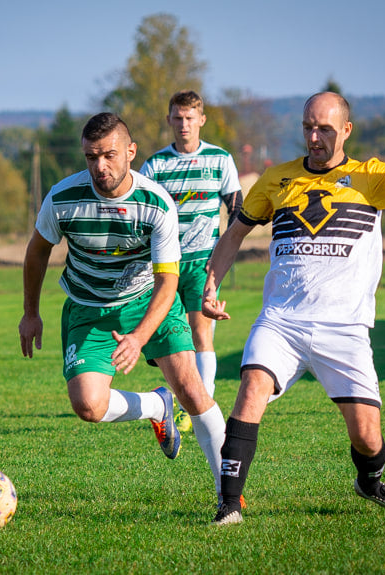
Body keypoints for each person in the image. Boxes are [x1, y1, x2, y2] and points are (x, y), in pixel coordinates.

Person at [203, 92, 385, 525]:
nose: (314, 138)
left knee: (369, 439)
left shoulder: (370, 176)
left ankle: (370, 483)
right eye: (307, 128)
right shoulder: (275, 179)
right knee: (250, 393)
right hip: (281, 321)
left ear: (347, 131)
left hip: (345, 328)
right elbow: (235, 234)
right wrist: (211, 283)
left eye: (325, 130)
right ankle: (228, 506)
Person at [19, 112, 228, 503]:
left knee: (193, 391)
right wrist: (31, 312)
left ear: (131, 152)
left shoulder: (155, 204)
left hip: (151, 303)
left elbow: (168, 282)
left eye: (110, 155)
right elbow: (36, 253)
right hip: (88, 309)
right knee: (88, 406)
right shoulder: (63, 197)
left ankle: (227, 494)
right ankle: (154, 405)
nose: (100, 166)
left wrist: (139, 337)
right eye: (91, 157)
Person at [140, 90, 242, 433]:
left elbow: (238, 210)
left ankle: (204, 406)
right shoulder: (155, 165)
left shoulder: (220, 159)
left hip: (203, 263)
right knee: (164, 343)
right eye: (177, 118)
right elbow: (143, 214)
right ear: (169, 120)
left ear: (201, 120)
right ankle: (178, 399)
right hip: (164, 265)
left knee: (201, 332)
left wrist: (224, 254)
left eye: (189, 118)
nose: (183, 124)